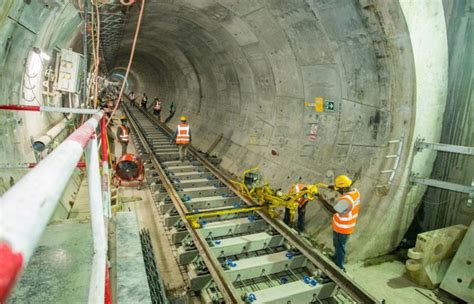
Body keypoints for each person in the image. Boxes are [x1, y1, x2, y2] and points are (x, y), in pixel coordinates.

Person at [317, 175, 361, 271]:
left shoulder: (346, 200)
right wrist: (333, 187)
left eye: (339, 188)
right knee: (337, 244)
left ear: (344, 187)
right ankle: (335, 258)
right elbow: (343, 190)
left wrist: (321, 199)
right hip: (343, 225)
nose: (338, 190)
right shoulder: (355, 192)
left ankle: (339, 266)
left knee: (340, 246)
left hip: (343, 228)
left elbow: (333, 210)